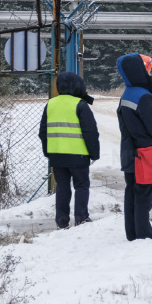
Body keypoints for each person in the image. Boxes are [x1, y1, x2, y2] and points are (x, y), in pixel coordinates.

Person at [117, 53, 152, 241]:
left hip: (129, 152)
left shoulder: (127, 94)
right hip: (143, 155)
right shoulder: (143, 97)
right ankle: (144, 237)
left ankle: (132, 234)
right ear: (139, 72)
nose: (149, 73)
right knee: (143, 197)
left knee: (131, 193)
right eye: (147, 69)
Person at [39, 71, 99, 229]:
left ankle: (61, 221)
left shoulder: (50, 104)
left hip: (57, 156)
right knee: (81, 186)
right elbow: (90, 132)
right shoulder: (80, 105)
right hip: (78, 155)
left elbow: (43, 132)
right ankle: (81, 218)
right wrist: (94, 153)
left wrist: (48, 152)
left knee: (62, 187)